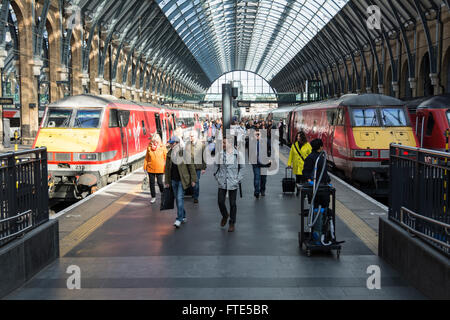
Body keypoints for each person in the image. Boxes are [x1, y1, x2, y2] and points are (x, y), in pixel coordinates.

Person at [164, 136, 197, 228]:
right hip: (173, 180)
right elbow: (167, 169)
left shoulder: (184, 152)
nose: (170, 144)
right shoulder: (169, 154)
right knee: (178, 199)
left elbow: (191, 166)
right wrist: (166, 181)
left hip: (183, 180)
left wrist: (193, 179)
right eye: (170, 143)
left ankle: (178, 219)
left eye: (172, 143)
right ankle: (183, 215)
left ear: (177, 143)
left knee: (179, 198)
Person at [214, 138, 244, 232]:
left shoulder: (238, 155)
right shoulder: (219, 154)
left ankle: (232, 223)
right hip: (222, 181)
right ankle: (225, 215)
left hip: (233, 181)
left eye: (224, 143)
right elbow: (215, 167)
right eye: (222, 142)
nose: (222, 144)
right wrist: (217, 178)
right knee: (220, 201)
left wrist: (237, 179)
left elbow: (242, 168)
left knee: (232, 203)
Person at [302, 138, 331, 208]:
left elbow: (305, 171)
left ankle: (320, 214)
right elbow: (306, 172)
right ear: (320, 147)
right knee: (322, 204)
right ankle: (320, 215)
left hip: (319, 185)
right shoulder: (316, 158)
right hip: (317, 185)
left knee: (316, 205)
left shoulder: (319, 156)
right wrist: (310, 181)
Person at [143, 133, 167, 204]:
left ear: (159, 141)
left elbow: (166, 157)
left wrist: (167, 167)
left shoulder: (163, 147)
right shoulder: (149, 147)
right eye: (154, 141)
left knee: (160, 182)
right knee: (151, 183)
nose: (155, 143)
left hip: (160, 168)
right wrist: (145, 167)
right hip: (150, 168)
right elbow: (146, 158)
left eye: (156, 141)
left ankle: (163, 194)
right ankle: (153, 197)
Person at [288, 131, 312, 196]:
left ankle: (303, 193)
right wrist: (289, 164)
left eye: (299, 136)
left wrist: (310, 164)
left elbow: (310, 155)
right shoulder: (294, 145)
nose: (298, 137)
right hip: (297, 165)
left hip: (304, 166)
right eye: (297, 136)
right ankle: (298, 191)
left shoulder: (307, 145)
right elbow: (291, 155)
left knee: (304, 180)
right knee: (298, 179)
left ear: (302, 137)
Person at [189, 130, 207, 203]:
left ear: (196, 136)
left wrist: (203, 168)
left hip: (197, 167)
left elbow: (204, 157)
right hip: (190, 167)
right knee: (191, 181)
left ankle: (196, 197)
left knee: (196, 182)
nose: (190, 137)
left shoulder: (201, 145)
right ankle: (193, 193)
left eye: (192, 136)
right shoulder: (188, 144)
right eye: (190, 136)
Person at [252, 130, 271, 198]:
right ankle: (257, 191)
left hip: (264, 162)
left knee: (263, 178)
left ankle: (262, 190)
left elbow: (270, 148)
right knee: (257, 178)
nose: (257, 135)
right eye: (256, 134)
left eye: (258, 134)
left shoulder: (266, 140)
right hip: (255, 162)